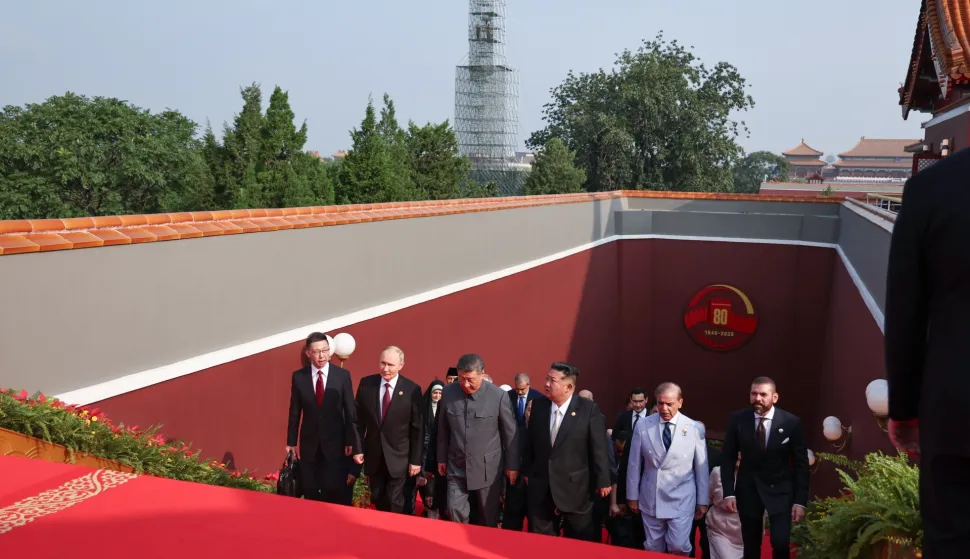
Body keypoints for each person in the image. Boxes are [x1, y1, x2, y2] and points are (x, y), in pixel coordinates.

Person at [884, 146, 970, 559]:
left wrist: (903, 410)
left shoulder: (931, 188)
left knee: (952, 539)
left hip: (956, 410)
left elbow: (905, 316)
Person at [720, 377, 809, 559]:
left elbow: (801, 464)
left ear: (774, 397)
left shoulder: (791, 422)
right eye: (754, 394)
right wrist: (729, 492)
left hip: (781, 491)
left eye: (763, 394)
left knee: (780, 542)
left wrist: (800, 501)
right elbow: (728, 457)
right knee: (751, 544)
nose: (758, 398)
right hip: (748, 489)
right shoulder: (738, 419)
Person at [522, 362, 611, 542]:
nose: (546, 383)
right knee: (541, 542)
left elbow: (599, 447)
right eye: (547, 379)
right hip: (542, 486)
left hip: (576, 488)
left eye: (552, 380)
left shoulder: (588, 410)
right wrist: (527, 471)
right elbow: (530, 442)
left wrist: (603, 480)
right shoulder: (538, 406)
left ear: (568, 387)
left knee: (579, 541)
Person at [626, 382, 709, 555]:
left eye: (669, 404)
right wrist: (632, 496)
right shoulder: (643, 426)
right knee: (653, 546)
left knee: (678, 545)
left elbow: (701, 467)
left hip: (682, 497)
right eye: (660, 403)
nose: (664, 408)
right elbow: (634, 463)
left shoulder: (694, 428)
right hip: (651, 495)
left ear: (680, 402)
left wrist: (703, 500)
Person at [436, 354, 518, 526]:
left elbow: (510, 433)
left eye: (470, 379)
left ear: (482, 373)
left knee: (488, 517)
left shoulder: (498, 396)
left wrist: (512, 465)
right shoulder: (449, 393)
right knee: (453, 511)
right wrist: (441, 458)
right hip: (456, 464)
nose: (465, 385)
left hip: (487, 469)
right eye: (461, 379)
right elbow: (443, 429)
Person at [286, 332, 362, 504]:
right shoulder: (299, 377)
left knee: (332, 488)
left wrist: (352, 441)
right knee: (310, 489)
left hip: (336, 443)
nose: (321, 356)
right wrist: (291, 442)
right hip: (310, 442)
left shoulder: (342, 376)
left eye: (325, 351)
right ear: (308, 353)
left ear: (330, 352)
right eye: (316, 352)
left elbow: (351, 412)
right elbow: (295, 411)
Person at [354, 346, 424, 514]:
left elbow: (417, 429)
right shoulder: (367, 384)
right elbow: (358, 421)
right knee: (377, 497)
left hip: (400, 456)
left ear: (401, 365)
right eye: (382, 363)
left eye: (390, 365)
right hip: (375, 455)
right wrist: (357, 449)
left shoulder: (411, 390)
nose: (385, 369)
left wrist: (416, 460)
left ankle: (394, 533)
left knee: (395, 498)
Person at [707, 454, 746, 559]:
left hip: (747, 533)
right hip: (720, 530)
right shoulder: (717, 472)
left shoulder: (760, 475)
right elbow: (708, 497)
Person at [420, 381, 446, 519]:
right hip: (424, 450)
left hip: (439, 450)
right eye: (435, 393)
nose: (437, 396)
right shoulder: (424, 408)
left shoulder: (445, 407)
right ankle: (428, 507)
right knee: (426, 479)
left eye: (440, 393)